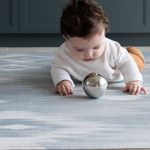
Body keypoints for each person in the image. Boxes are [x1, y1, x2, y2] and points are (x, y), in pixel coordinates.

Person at [50, 0, 147, 96]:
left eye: (96, 47)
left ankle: (133, 51)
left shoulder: (112, 49)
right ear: (66, 38)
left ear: (104, 33)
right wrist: (63, 81)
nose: (89, 54)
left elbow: (126, 63)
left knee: (136, 62)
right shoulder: (63, 53)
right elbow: (58, 67)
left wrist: (133, 81)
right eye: (79, 49)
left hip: (118, 69)